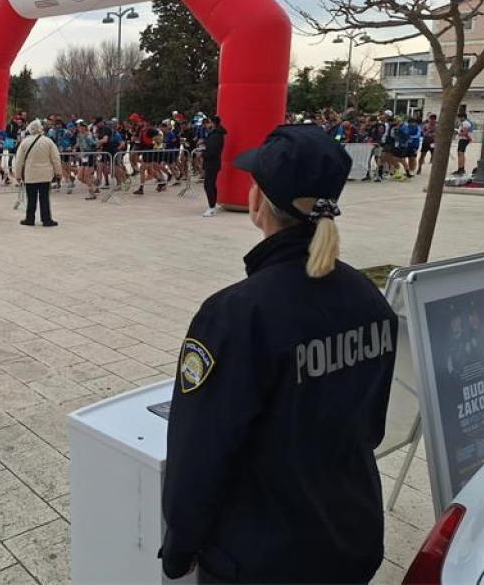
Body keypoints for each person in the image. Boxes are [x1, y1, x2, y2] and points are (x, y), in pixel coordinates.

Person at [160, 125, 398, 584]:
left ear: (257, 202)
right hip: (349, 537)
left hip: (262, 557)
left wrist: (180, 545)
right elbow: (369, 427)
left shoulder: (235, 315)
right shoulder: (371, 299)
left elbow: (200, 452)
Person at [13, 119, 61, 227]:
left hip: (30, 174)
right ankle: (46, 219)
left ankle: (30, 219)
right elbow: (55, 158)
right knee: (44, 198)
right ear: (40, 129)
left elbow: (19, 160)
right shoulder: (48, 141)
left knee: (31, 198)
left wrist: (18, 175)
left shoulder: (24, 142)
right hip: (45, 175)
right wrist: (58, 173)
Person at [201, 115, 226, 217]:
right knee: (211, 184)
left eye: (210, 122)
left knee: (208, 185)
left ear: (214, 123)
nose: (208, 124)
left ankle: (211, 208)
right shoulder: (214, 134)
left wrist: (203, 153)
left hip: (212, 163)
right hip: (212, 162)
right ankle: (212, 206)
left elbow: (213, 150)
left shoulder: (216, 135)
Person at [454, 110, 474, 176]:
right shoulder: (465, 123)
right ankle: (461, 168)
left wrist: (457, 132)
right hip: (464, 139)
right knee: (461, 154)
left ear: (462, 117)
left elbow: (465, 133)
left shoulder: (465, 123)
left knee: (460, 154)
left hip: (463, 140)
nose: (458, 119)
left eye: (459, 117)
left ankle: (461, 169)